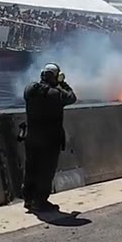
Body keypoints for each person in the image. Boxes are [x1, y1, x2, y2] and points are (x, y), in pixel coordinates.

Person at [21, 63, 77, 213]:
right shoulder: (56, 95)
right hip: (49, 140)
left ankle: (28, 199)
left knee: (31, 168)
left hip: (31, 138)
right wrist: (62, 83)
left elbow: (36, 90)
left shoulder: (30, 91)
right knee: (46, 171)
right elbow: (72, 97)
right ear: (55, 77)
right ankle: (40, 201)